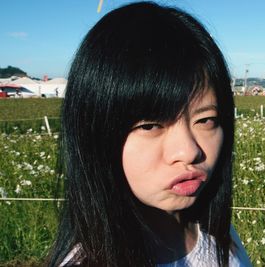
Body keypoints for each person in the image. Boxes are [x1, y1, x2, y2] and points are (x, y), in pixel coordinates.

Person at [47, 2, 251, 266]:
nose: (189, 151)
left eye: (206, 120)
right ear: (94, 134)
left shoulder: (219, 235)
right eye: (150, 126)